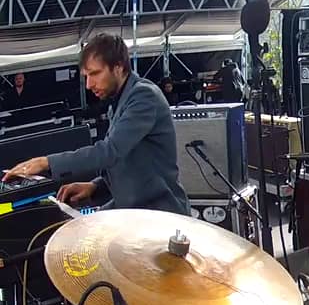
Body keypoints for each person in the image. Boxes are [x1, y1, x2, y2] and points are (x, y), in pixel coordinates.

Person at [2, 34, 190, 215]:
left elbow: (109, 152)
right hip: (134, 211)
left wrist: (46, 162)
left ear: (118, 67)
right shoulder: (118, 102)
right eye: (86, 76)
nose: (88, 85)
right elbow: (129, 164)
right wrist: (95, 186)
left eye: (94, 74)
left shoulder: (144, 97)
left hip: (159, 214)